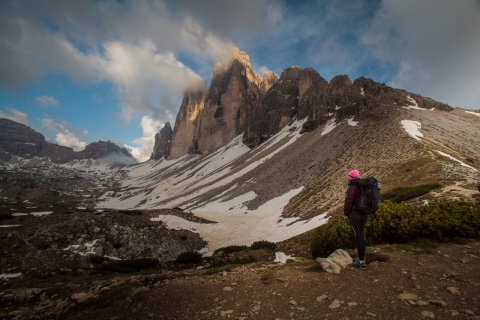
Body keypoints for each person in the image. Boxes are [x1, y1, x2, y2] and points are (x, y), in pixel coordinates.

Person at [344, 169, 368, 270]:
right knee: (361, 235)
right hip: (364, 215)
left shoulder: (352, 188)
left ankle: (361, 262)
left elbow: (348, 202)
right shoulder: (364, 187)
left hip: (355, 216)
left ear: (351, 178)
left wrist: (346, 214)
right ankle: (361, 258)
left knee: (358, 237)